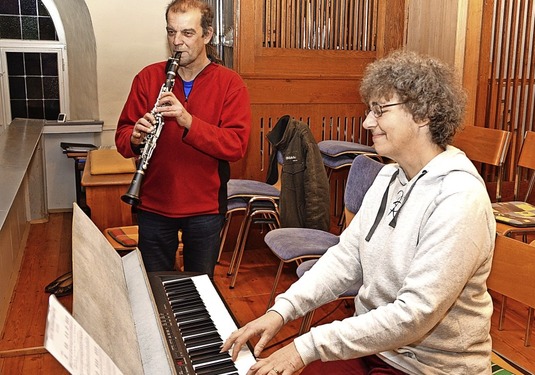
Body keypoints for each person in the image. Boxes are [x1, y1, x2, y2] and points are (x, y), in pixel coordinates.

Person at [221, 50, 496, 375]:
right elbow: (347, 258)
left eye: (380, 111)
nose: (367, 122)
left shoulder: (459, 198)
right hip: (379, 347)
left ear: (423, 113)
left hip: (431, 368)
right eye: (369, 110)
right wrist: (281, 311)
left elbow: (414, 317)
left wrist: (305, 346)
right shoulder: (389, 177)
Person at [115, 0, 251, 278]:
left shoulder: (230, 83)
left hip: (205, 208)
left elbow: (235, 145)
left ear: (207, 35)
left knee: (200, 288)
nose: (177, 42)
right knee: (156, 285)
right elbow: (122, 137)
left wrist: (188, 121)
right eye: (171, 32)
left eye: (187, 33)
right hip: (153, 204)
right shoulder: (147, 77)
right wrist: (136, 137)